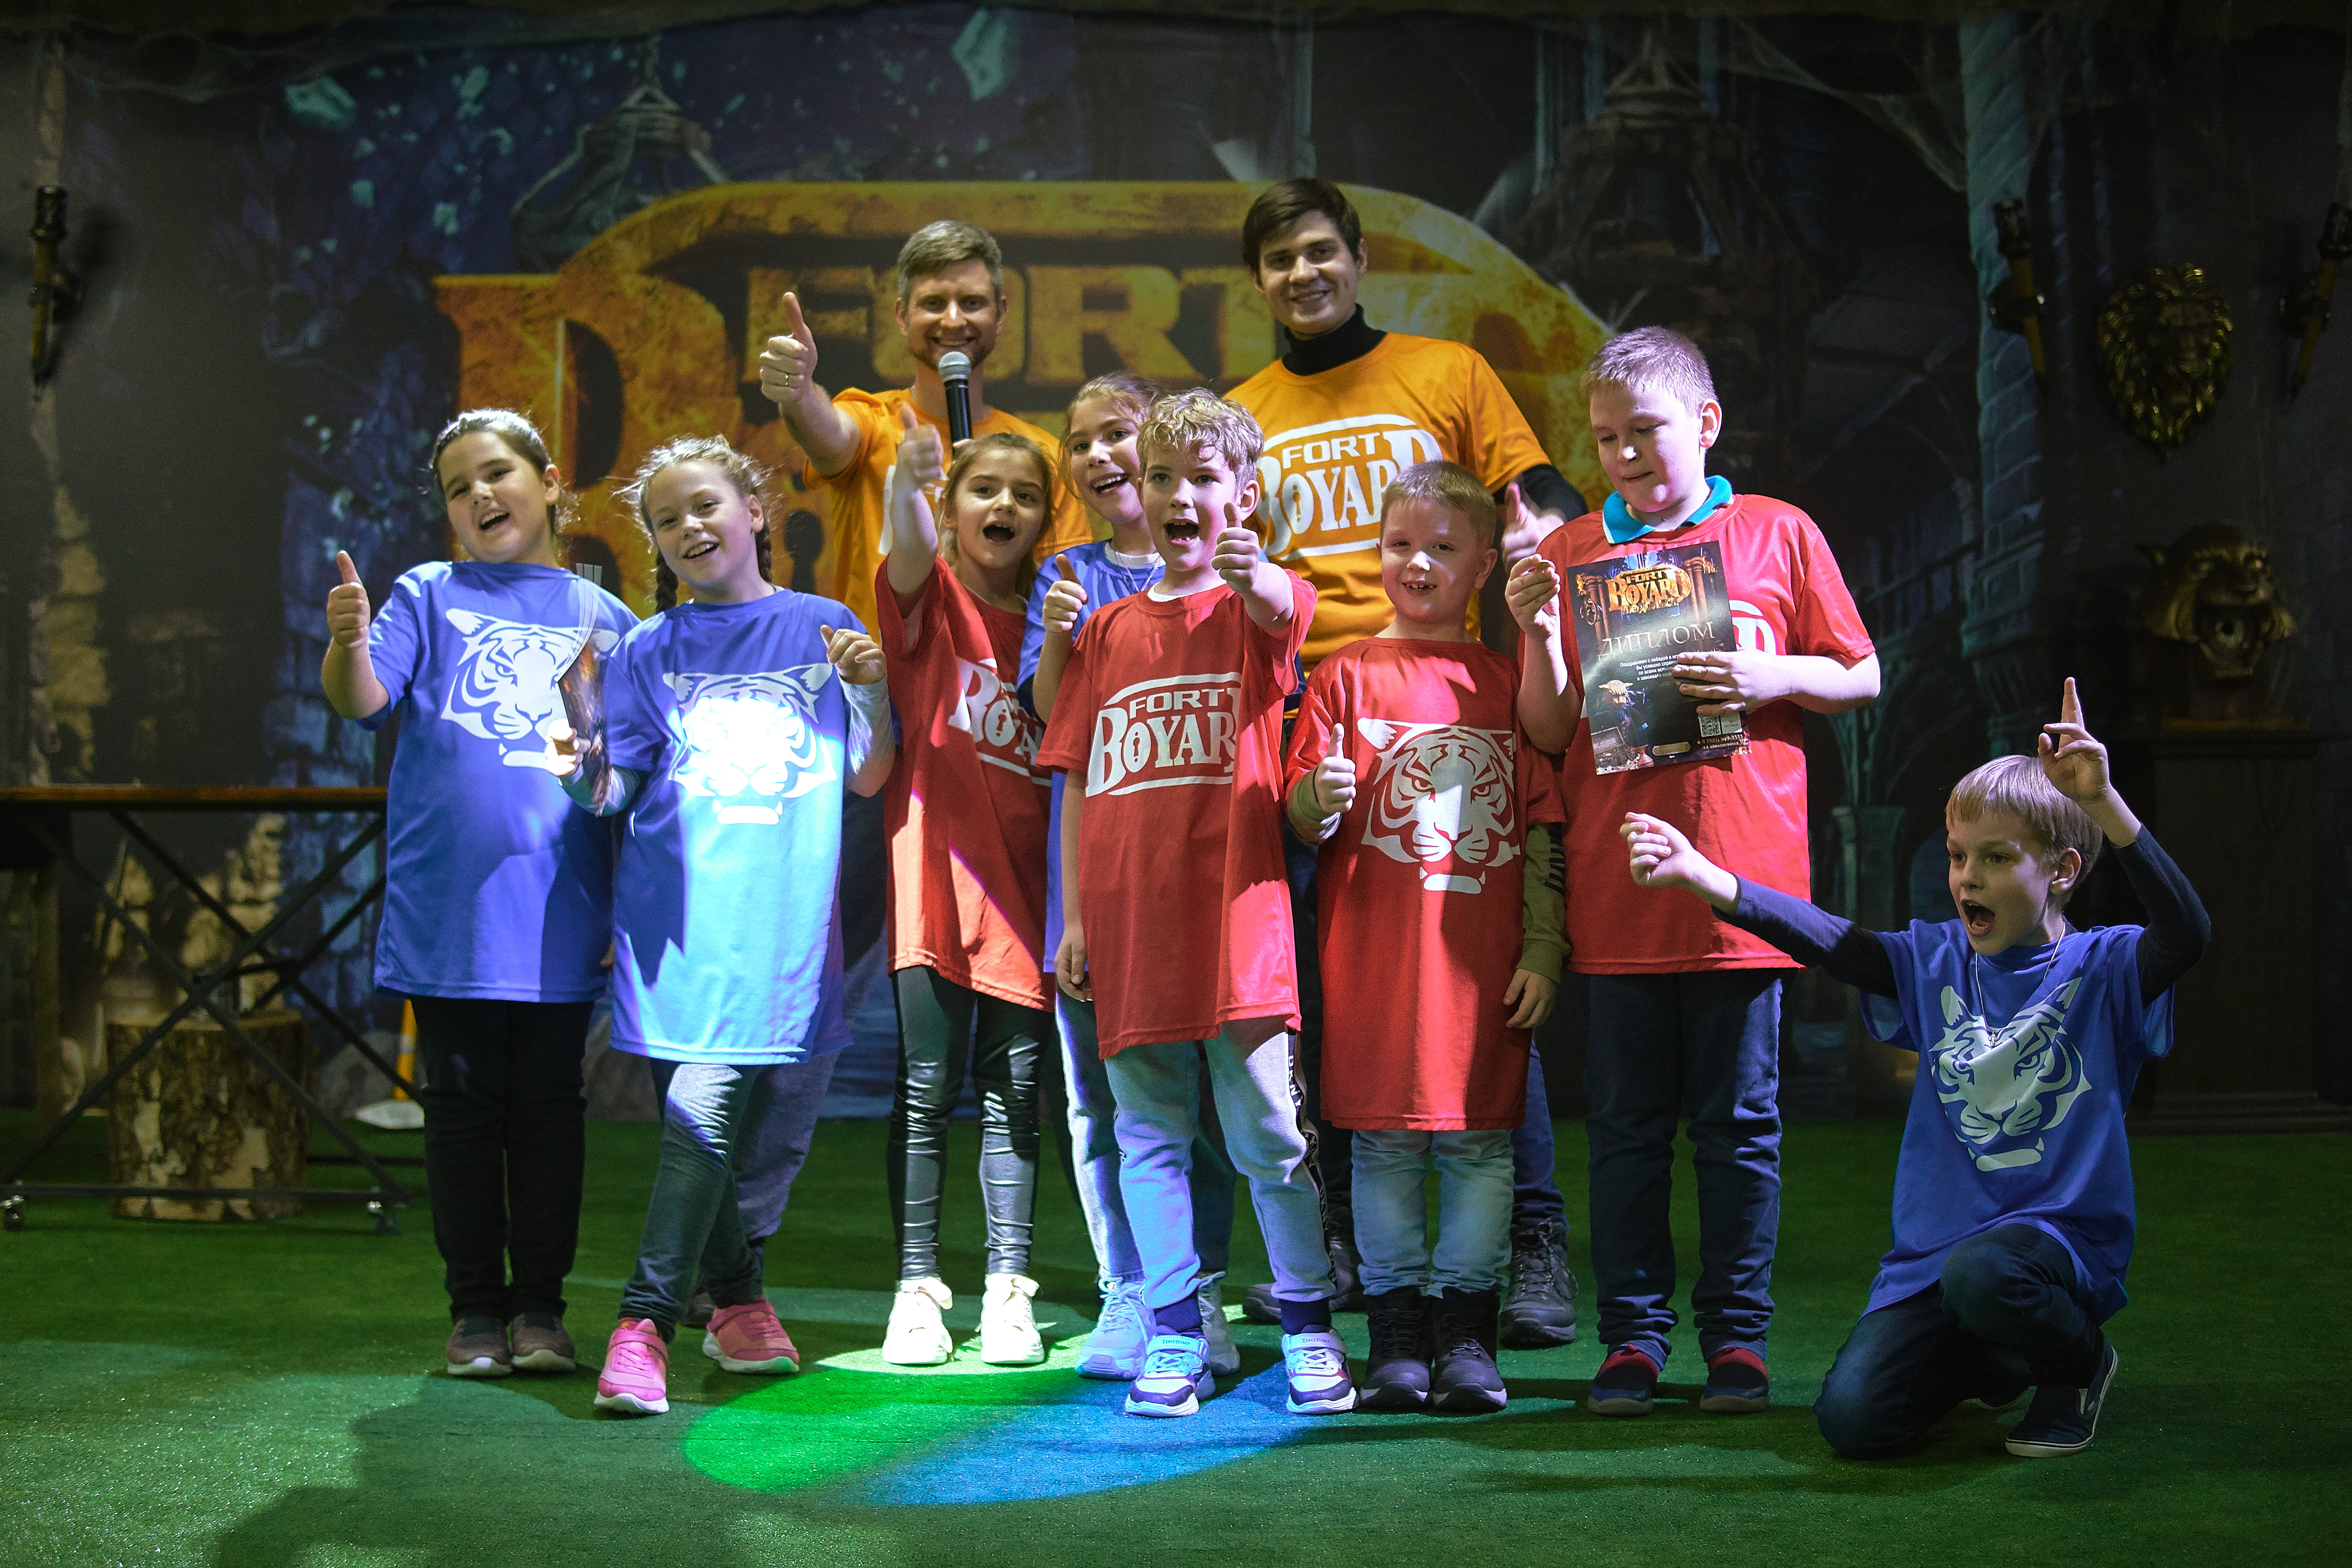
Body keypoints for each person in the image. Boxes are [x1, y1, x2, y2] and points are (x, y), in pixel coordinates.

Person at [1621, 678, 2208, 1458]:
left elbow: (2188, 931)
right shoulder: (1932, 957)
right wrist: (1707, 878)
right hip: (1937, 1258)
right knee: (1855, 1421)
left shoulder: (2106, 967)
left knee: (1987, 1276)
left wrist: (2104, 802)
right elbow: (1833, 941)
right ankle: (1996, 1355)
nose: (1968, 877)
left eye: (1997, 858)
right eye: (1960, 856)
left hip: (2054, 1241)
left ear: (2063, 870)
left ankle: (2078, 1362)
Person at [1227, 177, 1584, 1343]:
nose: (1303, 273)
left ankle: (1530, 1239)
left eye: (1319, 250)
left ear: (1358, 256)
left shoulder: (1448, 373)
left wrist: (1569, 553)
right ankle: (1343, 1237)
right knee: (1331, 998)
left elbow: (1541, 500)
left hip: (1452, 712)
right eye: (1279, 259)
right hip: (1313, 717)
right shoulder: (1244, 411)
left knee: (1484, 993)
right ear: (1258, 280)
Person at [1512, 325, 1881, 1417]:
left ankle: (1737, 1342)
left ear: (1707, 422)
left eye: (1647, 430)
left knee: (1739, 1130)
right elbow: (1547, 729)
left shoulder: (1777, 531)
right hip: (1618, 889)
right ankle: (1632, 1339)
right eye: (1606, 438)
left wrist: (1771, 673)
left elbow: (1862, 675)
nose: (1625, 453)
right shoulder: (1574, 549)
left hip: (1742, 894)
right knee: (1625, 1131)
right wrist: (1536, 631)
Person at [549, 435, 895, 1417]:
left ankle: (694, 1309)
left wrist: (871, 686)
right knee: (699, 1121)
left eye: (705, 505)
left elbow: (868, 774)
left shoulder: (825, 626)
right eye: (667, 519)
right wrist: (576, 753)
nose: (689, 527)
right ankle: (686, 1314)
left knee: (700, 1124)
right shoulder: (645, 649)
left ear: (754, 510)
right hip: (677, 929)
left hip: (783, 924)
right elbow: (612, 792)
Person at [1036, 389, 1353, 1420]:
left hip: (1238, 926)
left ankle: (1307, 1323)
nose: (1178, 495)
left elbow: (1286, 609)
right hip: (1131, 928)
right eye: (1162, 477)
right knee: (1148, 1136)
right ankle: (1174, 1326)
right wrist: (1076, 918)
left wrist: (1256, 572)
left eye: (1203, 479)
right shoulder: (1107, 631)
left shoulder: (1257, 609)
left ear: (1243, 497)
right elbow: (1077, 776)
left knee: (1270, 1135)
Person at [321, 408, 635, 1381]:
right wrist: (348, 643)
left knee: (547, 1108)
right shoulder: (428, 593)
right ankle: (474, 1311)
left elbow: (622, 779)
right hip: (449, 913)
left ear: (550, 482)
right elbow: (362, 699)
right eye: (459, 488)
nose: (480, 496)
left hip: (561, 913)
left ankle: (541, 1307)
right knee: (459, 1112)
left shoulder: (606, 617)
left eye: (497, 473)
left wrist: (624, 908)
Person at [1281, 461, 1567, 1414]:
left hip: (1481, 972)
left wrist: (1543, 946)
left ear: (1483, 564)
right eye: (1400, 544)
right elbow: (1297, 816)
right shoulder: (1343, 674)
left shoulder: (1507, 682)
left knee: (1481, 1149)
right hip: (1372, 970)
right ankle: (1396, 1337)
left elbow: (1541, 825)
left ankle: (1466, 1335)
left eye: (1443, 548)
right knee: (1383, 1150)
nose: (1418, 563)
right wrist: (1316, 798)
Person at [1022, 371, 1242, 1382]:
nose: (1101, 456)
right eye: (1082, 443)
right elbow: (1053, 723)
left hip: (1208, 884)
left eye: (1120, 433)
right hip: (1100, 886)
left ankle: (1203, 1288)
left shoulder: (1229, 563)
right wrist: (1058, 634)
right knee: (1104, 1104)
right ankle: (1130, 1287)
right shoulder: (1066, 574)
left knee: (1213, 1108)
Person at [871, 415, 1057, 1367]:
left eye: (1025, 494)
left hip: (1030, 897)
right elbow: (906, 552)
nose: (1004, 505)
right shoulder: (933, 599)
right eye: (984, 488)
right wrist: (906, 482)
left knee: (1015, 1093)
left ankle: (1007, 1287)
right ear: (951, 508)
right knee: (925, 1087)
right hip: (936, 884)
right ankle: (916, 1288)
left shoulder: (1059, 625)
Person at [756, 218, 1094, 635]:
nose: (953, 321)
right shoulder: (873, 420)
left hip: (997, 672)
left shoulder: (1041, 454)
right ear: (902, 316)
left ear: (1001, 314)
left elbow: (1061, 598)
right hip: (877, 669)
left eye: (972, 303)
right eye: (934, 303)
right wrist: (799, 393)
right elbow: (828, 437)